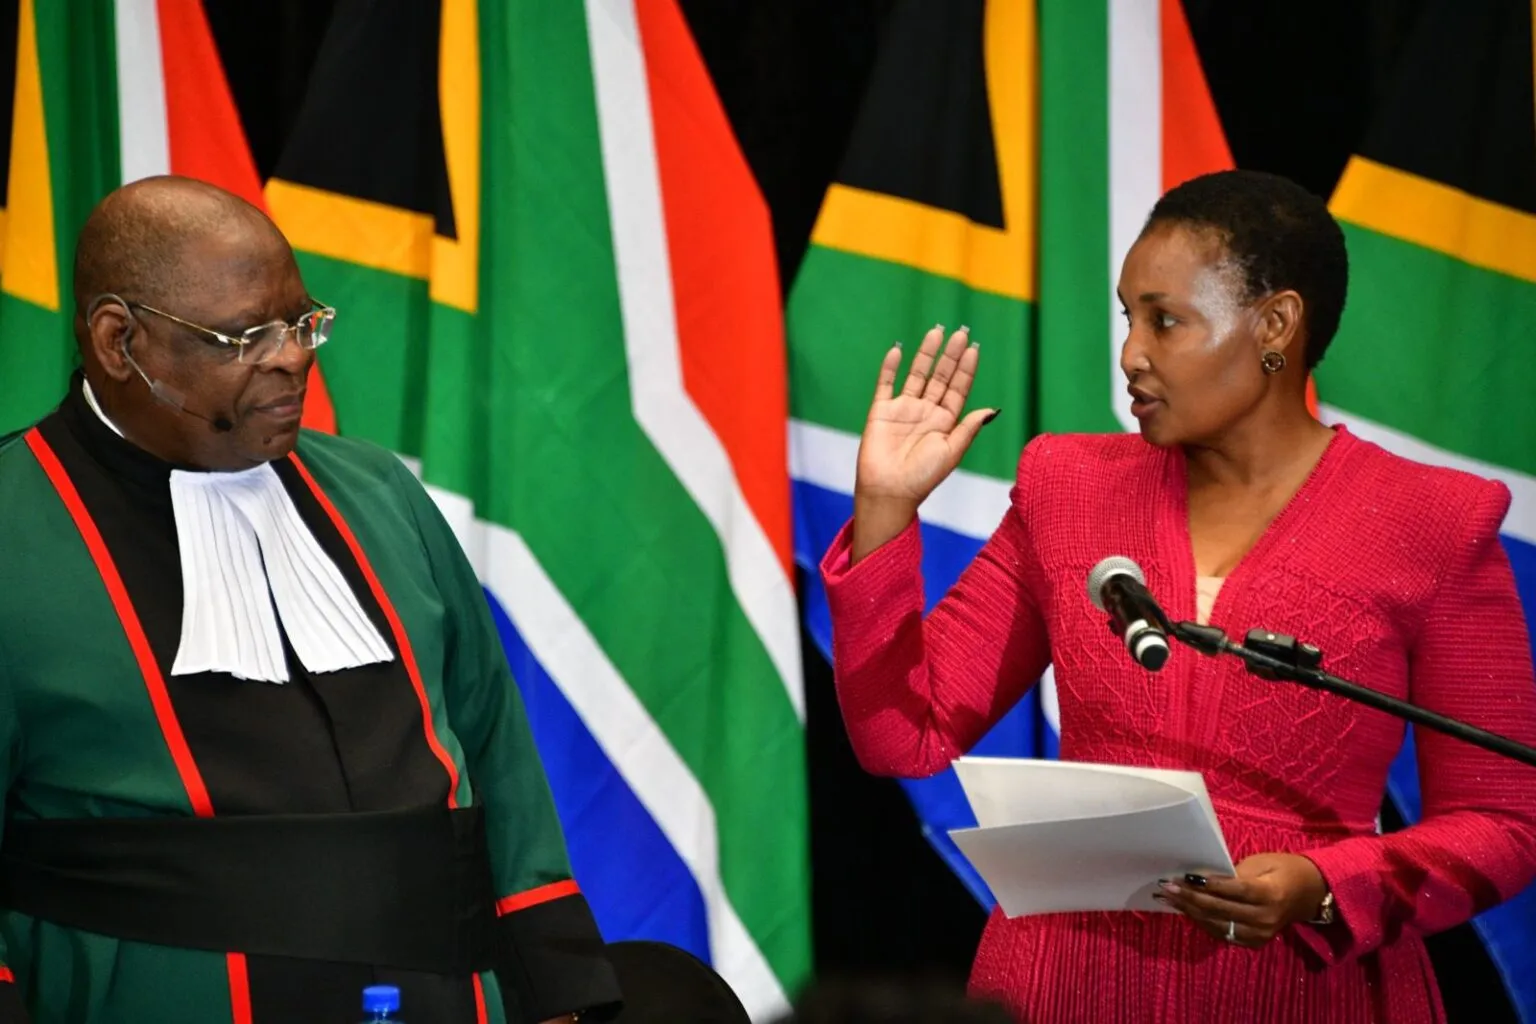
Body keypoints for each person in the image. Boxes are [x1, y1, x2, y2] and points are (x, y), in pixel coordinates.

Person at [820, 169, 1536, 1022]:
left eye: (1165, 320)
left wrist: (1322, 885)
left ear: (1275, 325)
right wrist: (885, 509)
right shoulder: (1069, 486)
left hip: (1301, 984)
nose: (1130, 353)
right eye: (1129, 316)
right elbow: (906, 733)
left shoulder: (1433, 522)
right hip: (1066, 979)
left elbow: (1502, 820)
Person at [0, 177, 620, 1024]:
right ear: (119, 341)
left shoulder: (376, 491)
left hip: (444, 995)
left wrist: (558, 985)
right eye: (244, 337)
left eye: (300, 324)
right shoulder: (11, 526)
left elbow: (495, 745)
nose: (292, 356)